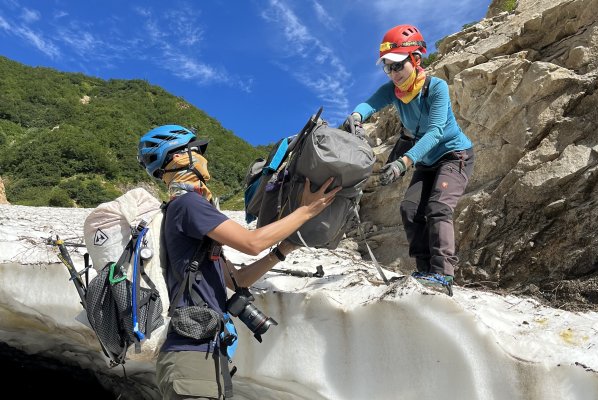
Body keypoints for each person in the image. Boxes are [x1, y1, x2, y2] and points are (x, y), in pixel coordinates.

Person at [137, 124, 341, 400]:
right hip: (192, 356)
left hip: (201, 354)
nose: (202, 157)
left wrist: (282, 250)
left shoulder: (188, 210)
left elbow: (236, 281)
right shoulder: (188, 205)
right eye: (196, 150)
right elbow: (251, 242)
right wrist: (305, 211)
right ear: (176, 157)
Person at [348, 24, 474, 296]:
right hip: (427, 163)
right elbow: (368, 105)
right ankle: (425, 270)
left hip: (454, 156)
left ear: (416, 59)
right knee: (409, 209)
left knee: (438, 207)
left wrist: (404, 162)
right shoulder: (393, 91)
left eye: (397, 65)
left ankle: (443, 276)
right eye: (388, 67)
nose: (393, 73)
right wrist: (356, 118)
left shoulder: (436, 87)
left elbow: (436, 132)